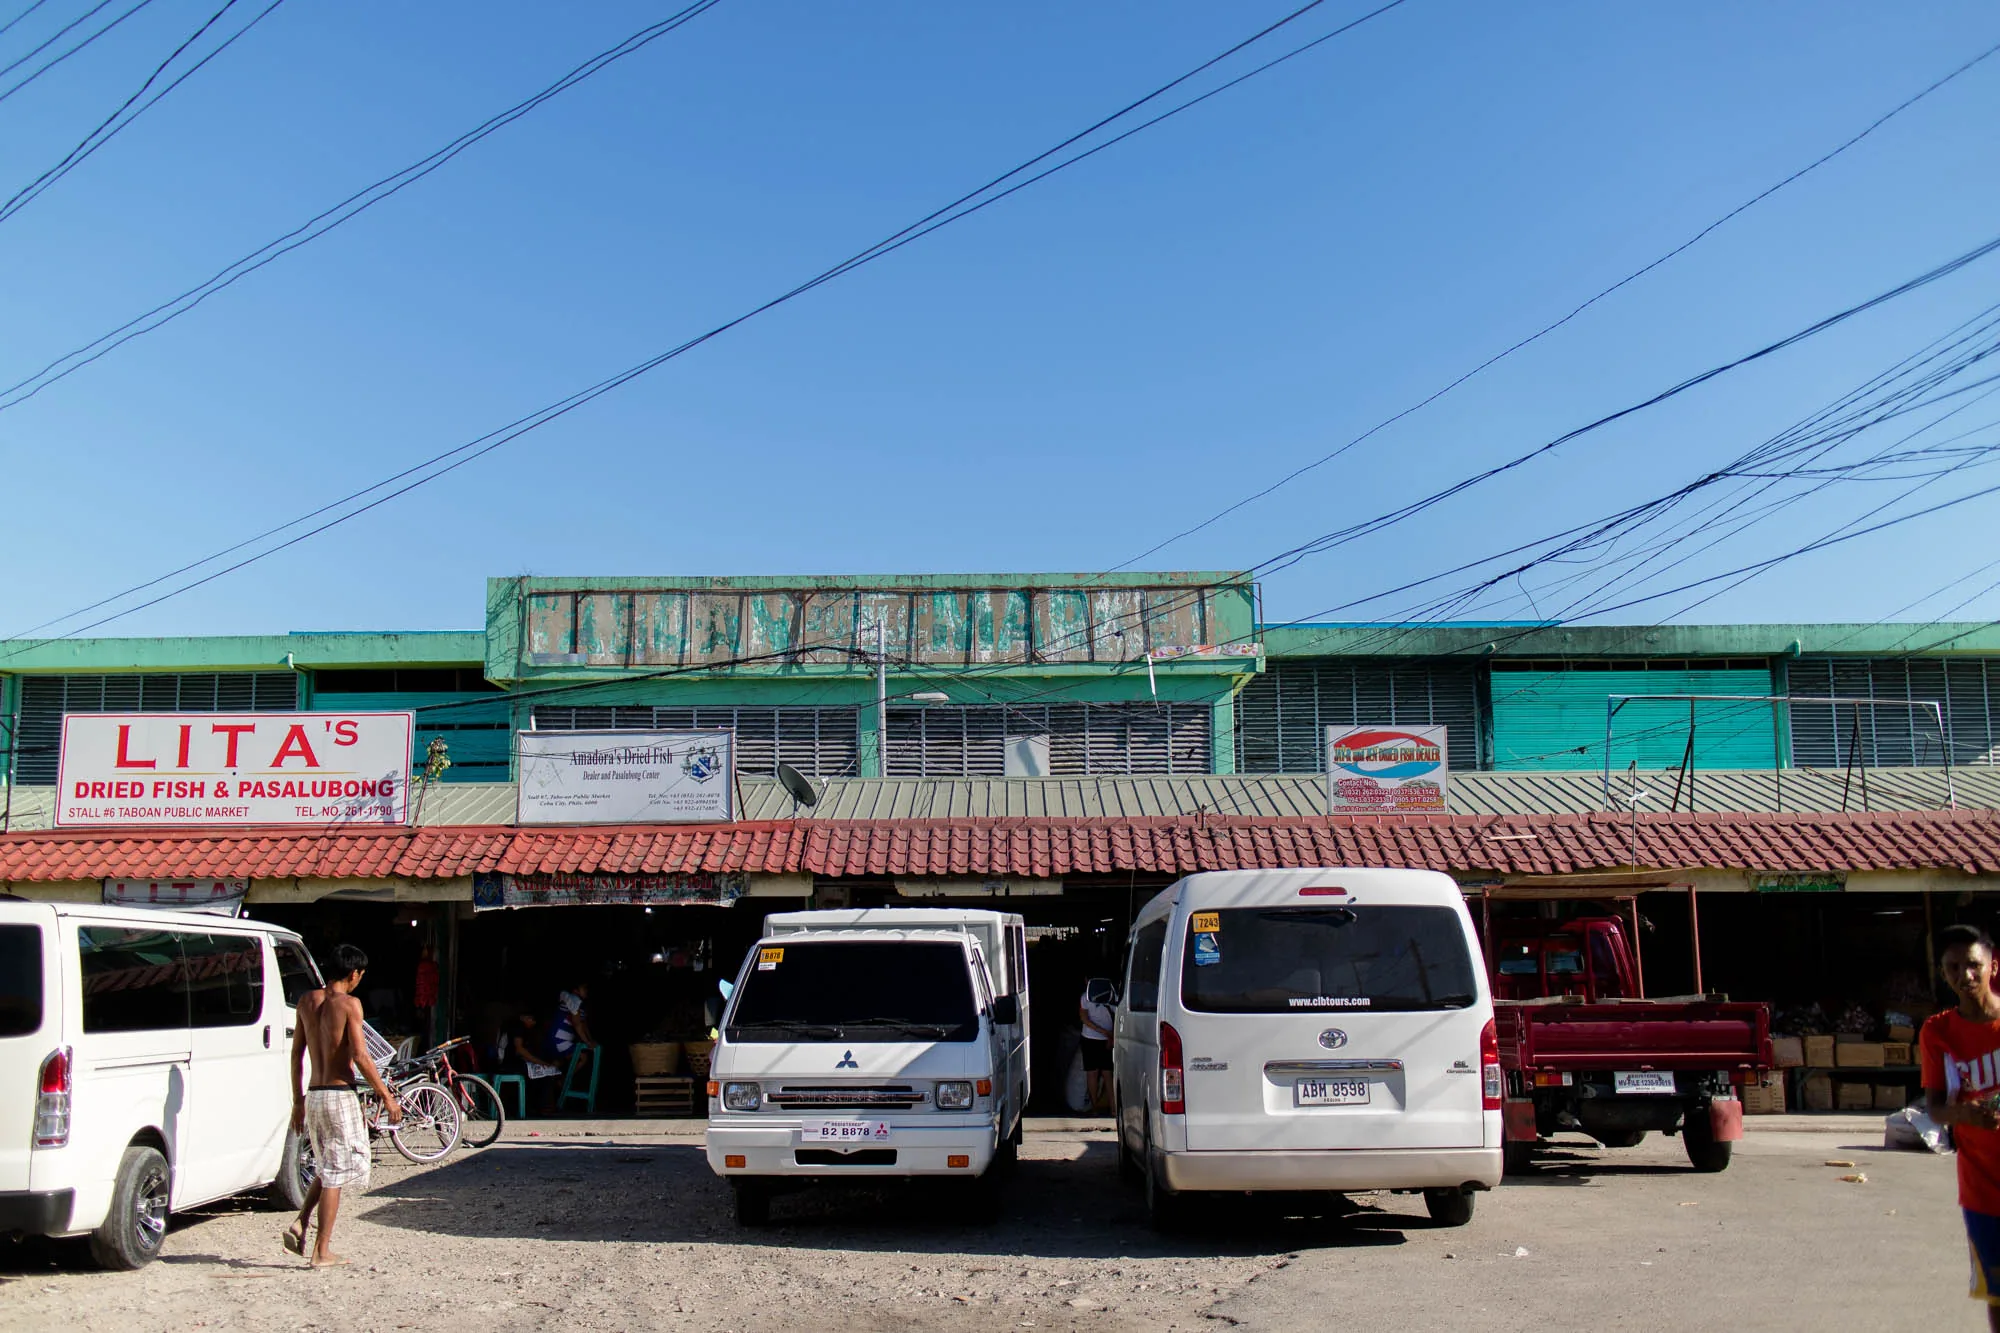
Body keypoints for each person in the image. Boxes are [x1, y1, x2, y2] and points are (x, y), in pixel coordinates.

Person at [286, 943, 400, 1268]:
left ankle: (301, 1221)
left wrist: (298, 1101)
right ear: (354, 973)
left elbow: (296, 1055)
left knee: (328, 1164)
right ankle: (321, 1252)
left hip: (315, 1093)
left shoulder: (307, 1001)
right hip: (339, 1094)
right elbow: (361, 1056)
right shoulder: (350, 1004)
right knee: (337, 1170)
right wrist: (386, 1095)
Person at [1922, 923, 2000, 1330]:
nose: (1964, 976)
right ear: (1943, 972)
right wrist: (1967, 1115)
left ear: (1993, 966)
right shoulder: (1938, 1032)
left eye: (1973, 965)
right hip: (1983, 1189)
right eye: (1953, 967)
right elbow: (1934, 1108)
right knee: (1997, 1293)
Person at [511, 1011, 563, 1114]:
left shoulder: (527, 1031)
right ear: (523, 1017)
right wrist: (539, 1062)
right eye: (530, 1019)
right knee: (542, 1074)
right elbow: (519, 1049)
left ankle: (542, 1105)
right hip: (510, 1063)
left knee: (546, 1072)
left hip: (521, 1062)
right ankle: (542, 1106)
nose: (532, 1022)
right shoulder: (518, 1028)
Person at [1079, 978, 1115, 1114]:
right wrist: (1108, 1034)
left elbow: (1084, 1019)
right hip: (1102, 1038)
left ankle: (1096, 1108)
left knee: (1094, 1074)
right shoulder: (1112, 995)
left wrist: (1106, 1034)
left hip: (1090, 1038)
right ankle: (1111, 1109)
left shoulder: (1085, 997)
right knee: (1107, 1074)